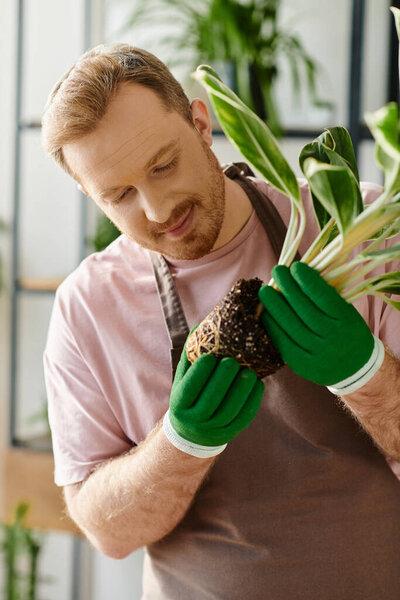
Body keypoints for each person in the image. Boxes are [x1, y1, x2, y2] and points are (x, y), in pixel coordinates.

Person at [42, 44, 400, 599]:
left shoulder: (354, 230)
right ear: (90, 195)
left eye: (164, 165)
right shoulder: (87, 310)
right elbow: (106, 532)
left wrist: (367, 376)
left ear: (201, 122)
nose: (159, 208)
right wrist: (180, 443)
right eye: (120, 195)